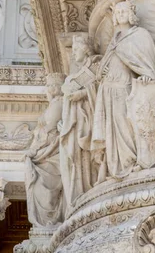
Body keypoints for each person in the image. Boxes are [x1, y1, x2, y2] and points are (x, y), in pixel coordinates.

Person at [92, 1, 155, 180]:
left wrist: (146, 75)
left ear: (131, 13)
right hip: (108, 90)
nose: (121, 14)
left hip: (125, 88)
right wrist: (104, 70)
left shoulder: (140, 34)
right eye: (118, 11)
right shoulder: (114, 40)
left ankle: (132, 160)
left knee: (126, 125)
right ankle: (118, 164)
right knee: (113, 130)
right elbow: (104, 65)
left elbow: (146, 62)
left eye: (124, 10)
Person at [59, 35, 100, 206]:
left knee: (83, 156)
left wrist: (82, 93)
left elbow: (102, 87)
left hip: (88, 118)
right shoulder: (78, 73)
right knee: (74, 157)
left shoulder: (97, 64)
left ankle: (89, 188)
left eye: (76, 48)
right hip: (76, 120)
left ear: (86, 48)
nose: (74, 52)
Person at [25, 73, 65, 229]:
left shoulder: (58, 104)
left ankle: (51, 220)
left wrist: (34, 151)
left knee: (45, 191)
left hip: (49, 154)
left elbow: (49, 132)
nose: (47, 89)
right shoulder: (54, 104)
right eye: (47, 85)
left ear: (57, 87)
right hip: (47, 153)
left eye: (50, 85)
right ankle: (49, 221)